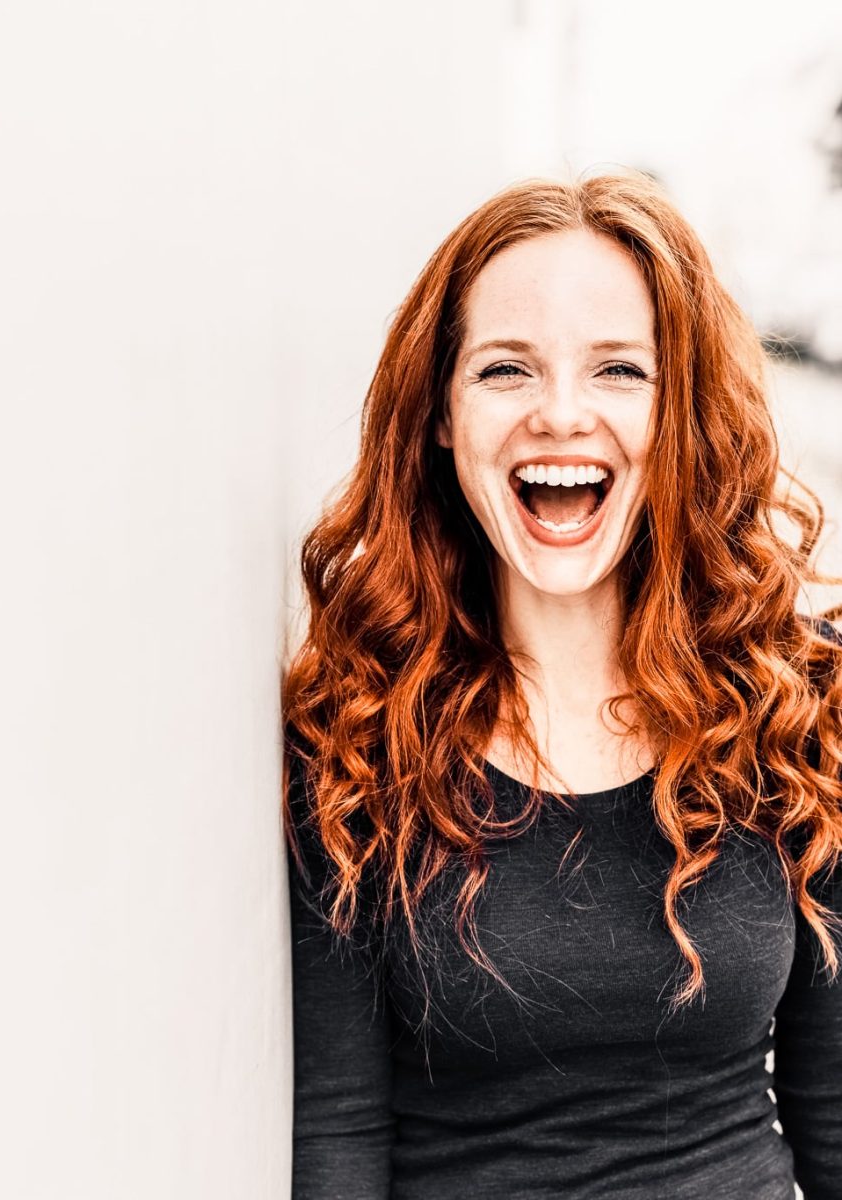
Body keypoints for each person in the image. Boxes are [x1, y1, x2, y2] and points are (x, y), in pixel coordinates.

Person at [281, 172, 842, 1199]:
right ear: (441, 414)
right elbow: (337, 1136)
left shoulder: (797, 703)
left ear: (681, 415)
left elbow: (834, 1112)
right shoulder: (353, 731)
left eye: (619, 371)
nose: (561, 413)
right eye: (506, 371)